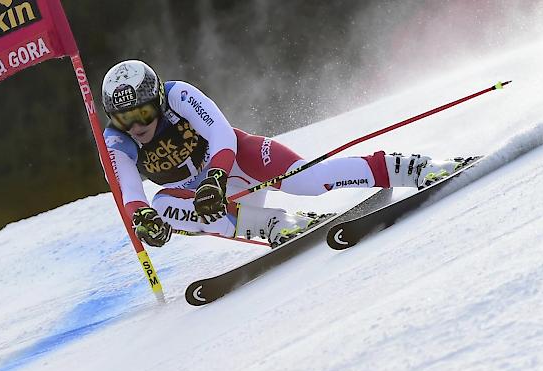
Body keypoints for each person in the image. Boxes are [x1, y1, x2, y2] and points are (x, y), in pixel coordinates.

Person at [101, 60, 460, 248]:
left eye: (143, 113)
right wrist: (145, 220)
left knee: (310, 180)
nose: (136, 126)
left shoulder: (178, 95)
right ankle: (276, 224)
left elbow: (222, 134)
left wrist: (216, 176)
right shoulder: (117, 141)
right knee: (163, 204)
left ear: (158, 101)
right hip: (217, 205)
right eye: (124, 118)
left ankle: (409, 167)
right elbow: (131, 194)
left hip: (238, 161)